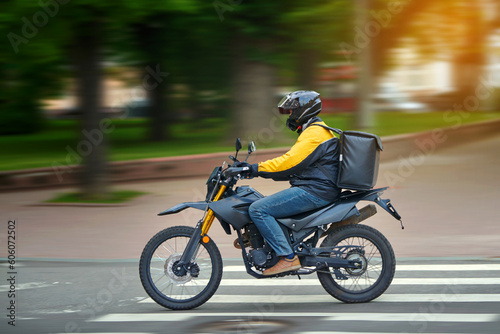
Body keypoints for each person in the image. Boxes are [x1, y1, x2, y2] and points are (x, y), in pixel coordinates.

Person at [237, 90, 341, 276]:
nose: (291, 115)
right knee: (263, 204)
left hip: (315, 191)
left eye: (293, 111)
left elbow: (289, 162)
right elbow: (296, 167)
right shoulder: (316, 130)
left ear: (305, 110)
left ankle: (287, 257)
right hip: (317, 188)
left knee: (258, 209)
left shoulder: (315, 133)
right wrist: (257, 171)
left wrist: (254, 169)